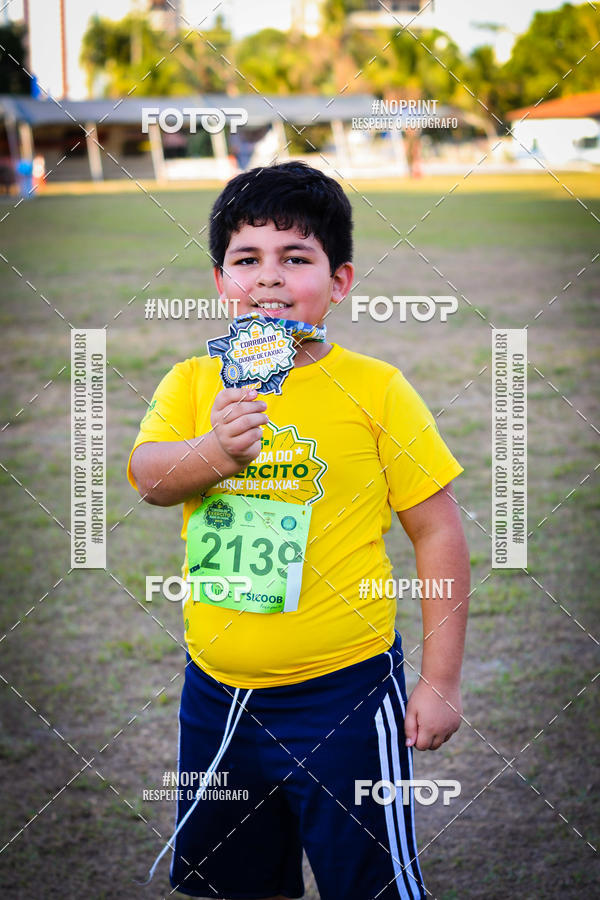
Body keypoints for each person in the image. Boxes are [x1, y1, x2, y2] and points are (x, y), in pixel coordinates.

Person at [128, 161, 470, 900]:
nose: (269, 277)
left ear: (339, 281)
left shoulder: (377, 389)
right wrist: (215, 452)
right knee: (237, 883)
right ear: (221, 282)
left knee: (368, 883)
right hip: (217, 696)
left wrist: (440, 682)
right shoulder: (193, 383)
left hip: (345, 696)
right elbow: (149, 477)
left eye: (295, 257)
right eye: (247, 259)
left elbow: (437, 532)